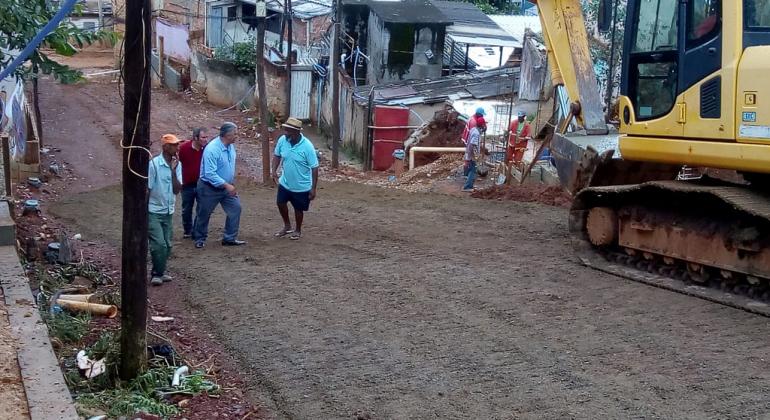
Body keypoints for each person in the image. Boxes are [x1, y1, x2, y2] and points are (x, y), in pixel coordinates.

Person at [193, 122, 245, 248]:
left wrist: (229, 183)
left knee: (236, 208)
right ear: (227, 135)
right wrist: (227, 185)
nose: (237, 136)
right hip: (208, 187)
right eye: (235, 133)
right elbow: (209, 174)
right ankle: (199, 238)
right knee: (204, 213)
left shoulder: (230, 146)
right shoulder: (212, 149)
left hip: (226, 186)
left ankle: (229, 238)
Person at [271, 117, 319, 241]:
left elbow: (314, 167)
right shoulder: (283, 140)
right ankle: (287, 225)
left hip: (301, 185)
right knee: (280, 203)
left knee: (298, 209)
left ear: (297, 132)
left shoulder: (307, 146)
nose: (286, 134)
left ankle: (298, 229)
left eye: (289, 131)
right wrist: (274, 171)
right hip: (285, 182)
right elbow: (277, 155)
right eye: (285, 130)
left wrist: (313, 188)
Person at [148, 134, 183, 286]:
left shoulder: (177, 165)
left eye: (177, 145)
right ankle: (156, 274)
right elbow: (148, 188)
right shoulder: (154, 164)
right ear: (165, 147)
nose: (177, 147)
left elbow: (177, 190)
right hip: (153, 210)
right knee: (159, 244)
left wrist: (173, 171)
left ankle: (160, 271)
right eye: (174, 145)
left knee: (167, 245)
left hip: (168, 210)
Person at [178, 128, 209, 239]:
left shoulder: (207, 149)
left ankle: (197, 230)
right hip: (186, 184)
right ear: (195, 138)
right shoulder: (183, 148)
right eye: (203, 137)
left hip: (201, 183)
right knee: (186, 208)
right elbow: (176, 163)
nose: (206, 140)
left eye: (206, 137)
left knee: (201, 208)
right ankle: (188, 230)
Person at [462, 123, 480, 192]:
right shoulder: (476, 133)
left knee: (470, 169)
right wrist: (475, 155)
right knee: (473, 170)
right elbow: (473, 144)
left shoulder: (473, 130)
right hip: (471, 155)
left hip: (469, 154)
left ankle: (470, 184)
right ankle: (468, 187)